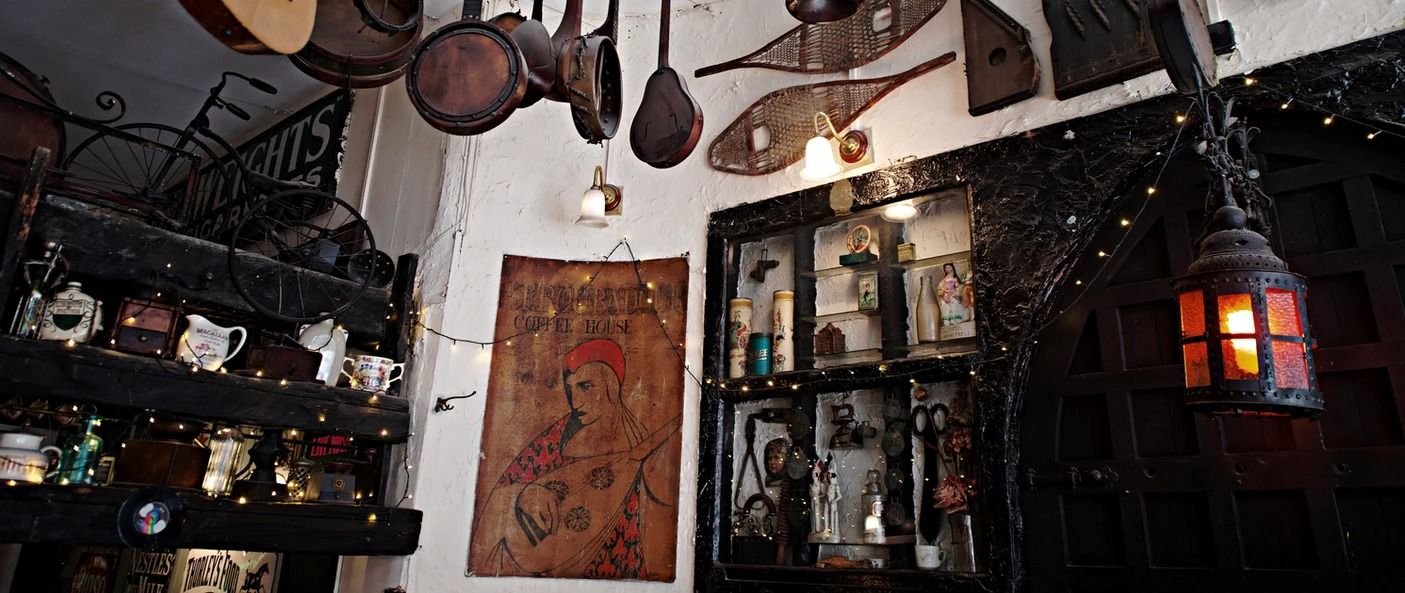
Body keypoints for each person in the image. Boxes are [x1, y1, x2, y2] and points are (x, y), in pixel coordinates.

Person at [470, 338, 681, 579]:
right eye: (570, 389)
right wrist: (525, 494)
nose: (575, 402)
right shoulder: (556, 439)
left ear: (612, 386)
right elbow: (495, 501)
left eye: (586, 386)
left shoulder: (640, 439)